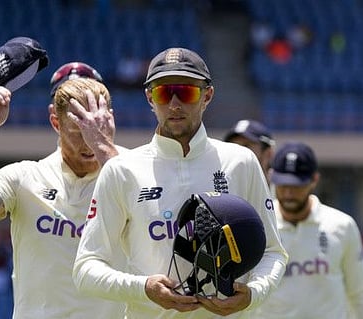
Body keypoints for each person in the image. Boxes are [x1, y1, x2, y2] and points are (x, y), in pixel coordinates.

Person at [73, 47, 288, 318]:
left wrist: (253, 294)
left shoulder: (241, 161)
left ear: (207, 95)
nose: (174, 104)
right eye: (164, 93)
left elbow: (273, 252)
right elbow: (85, 268)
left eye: (186, 92)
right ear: (150, 97)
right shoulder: (121, 170)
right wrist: (143, 288)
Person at [0, 62, 127, 318]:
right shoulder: (24, 177)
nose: (87, 142)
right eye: (77, 129)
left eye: (92, 124)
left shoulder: (135, 172)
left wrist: (104, 148)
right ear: (55, 121)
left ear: (108, 117)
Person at [253, 141, 363, 318]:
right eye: (283, 185)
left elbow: (359, 294)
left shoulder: (342, 225)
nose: (288, 193)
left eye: (296, 186)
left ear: (314, 180)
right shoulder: (259, 224)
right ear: (272, 177)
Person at [223, 119, 275, 184]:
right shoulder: (221, 186)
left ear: (268, 153)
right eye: (233, 146)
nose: (237, 151)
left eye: (246, 146)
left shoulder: (284, 189)